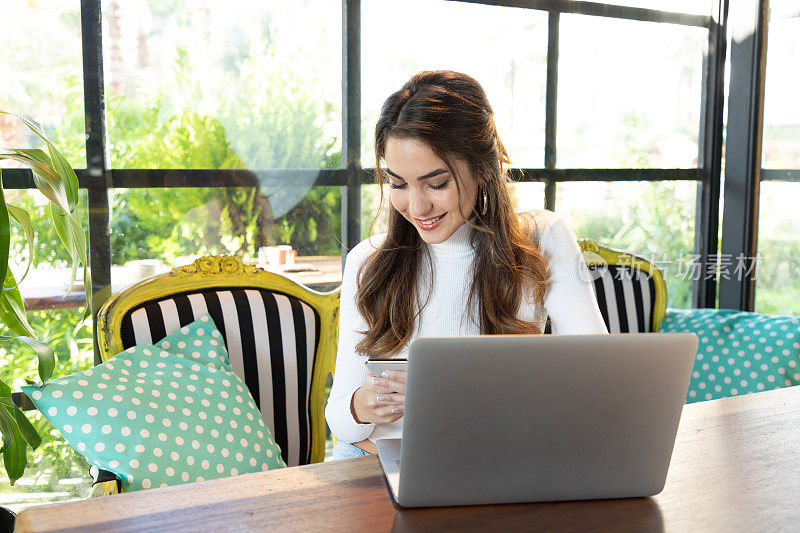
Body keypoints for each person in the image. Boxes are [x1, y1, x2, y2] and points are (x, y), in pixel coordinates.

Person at [325, 70, 607, 460]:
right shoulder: (368, 261)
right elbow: (340, 417)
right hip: (372, 458)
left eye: (436, 184)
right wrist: (361, 406)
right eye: (399, 184)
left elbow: (596, 378)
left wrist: (449, 394)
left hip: (491, 457)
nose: (417, 207)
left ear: (482, 169)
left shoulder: (543, 238)